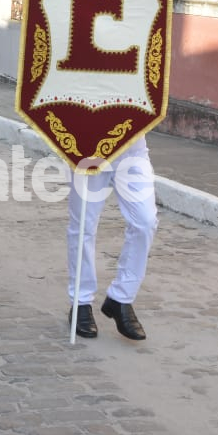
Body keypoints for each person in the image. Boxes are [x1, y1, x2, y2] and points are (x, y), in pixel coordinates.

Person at [65, 141, 157, 342]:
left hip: (132, 153)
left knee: (145, 222)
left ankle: (121, 298)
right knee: (83, 227)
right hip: (88, 151)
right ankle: (81, 301)